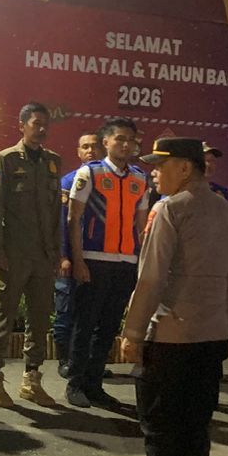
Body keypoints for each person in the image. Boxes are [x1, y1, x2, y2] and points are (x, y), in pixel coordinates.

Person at [107, 138, 228, 456]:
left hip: (171, 335)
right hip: (211, 335)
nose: (154, 172)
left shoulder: (169, 209)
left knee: (160, 424)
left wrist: (133, 332)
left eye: (160, 165)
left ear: (185, 168)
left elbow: (152, 277)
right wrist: (223, 324)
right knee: (195, 424)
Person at [66, 116, 151, 411]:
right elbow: (73, 219)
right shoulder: (89, 173)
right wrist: (78, 260)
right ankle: (75, 384)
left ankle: (94, 386)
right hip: (94, 260)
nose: (126, 145)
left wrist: (142, 264)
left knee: (108, 327)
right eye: (120, 139)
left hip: (126, 263)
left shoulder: (140, 178)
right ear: (106, 142)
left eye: (130, 140)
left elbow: (142, 227)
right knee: (85, 325)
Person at [0, 102, 64, 407]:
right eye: (35, 123)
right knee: (4, 315)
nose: (41, 129)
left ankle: (32, 379)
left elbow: (56, 212)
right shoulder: (5, 159)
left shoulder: (53, 162)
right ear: (21, 125)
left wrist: (56, 252)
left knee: (40, 318)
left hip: (43, 255)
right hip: (14, 254)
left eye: (45, 124)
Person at [55, 129, 105, 379]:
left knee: (93, 314)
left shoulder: (109, 182)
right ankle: (66, 360)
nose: (90, 151)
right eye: (85, 147)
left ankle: (87, 362)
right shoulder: (68, 182)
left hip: (97, 260)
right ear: (78, 152)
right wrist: (64, 256)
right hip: (70, 259)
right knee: (66, 310)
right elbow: (62, 223)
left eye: (94, 146)